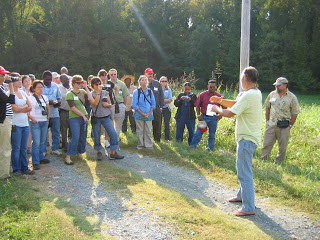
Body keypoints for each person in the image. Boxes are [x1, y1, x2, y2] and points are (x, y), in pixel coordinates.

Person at [211, 66, 262, 216]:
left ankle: (248, 207)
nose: (240, 80)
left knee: (244, 172)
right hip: (248, 138)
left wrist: (217, 108)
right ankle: (242, 197)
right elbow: (236, 103)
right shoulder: (254, 93)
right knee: (244, 169)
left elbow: (229, 113)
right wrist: (221, 100)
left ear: (245, 78)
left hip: (247, 140)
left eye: (241, 77)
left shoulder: (248, 95)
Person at [260, 77, 300, 164]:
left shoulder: (292, 97)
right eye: (276, 85)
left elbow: (295, 112)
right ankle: (263, 161)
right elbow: (267, 107)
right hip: (271, 124)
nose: (277, 87)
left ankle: (279, 162)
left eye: (279, 85)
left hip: (284, 125)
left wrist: (290, 125)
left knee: (282, 147)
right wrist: (267, 121)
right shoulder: (272, 94)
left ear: (285, 85)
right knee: (267, 144)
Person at [89, 77, 124, 160]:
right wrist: (98, 93)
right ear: (92, 85)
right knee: (97, 135)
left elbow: (110, 104)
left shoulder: (105, 92)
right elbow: (95, 103)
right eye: (96, 84)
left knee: (113, 134)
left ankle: (113, 153)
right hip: (96, 117)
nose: (98, 86)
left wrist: (106, 105)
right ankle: (99, 152)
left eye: (99, 84)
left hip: (106, 116)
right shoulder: (91, 94)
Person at [65, 75, 93, 165]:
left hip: (84, 115)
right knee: (75, 136)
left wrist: (86, 87)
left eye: (81, 82)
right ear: (73, 84)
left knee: (82, 135)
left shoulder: (82, 91)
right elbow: (72, 107)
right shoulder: (69, 94)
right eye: (78, 83)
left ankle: (79, 152)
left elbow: (90, 99)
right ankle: (68, 156)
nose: (80, 84)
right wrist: (83, 116)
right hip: (74, 117)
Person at [9, 73, 34, 176]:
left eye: (20, 80)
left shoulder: (23, 93)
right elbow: (14, 109)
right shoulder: (10, 94)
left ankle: (25, 167)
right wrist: (24, 108)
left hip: (24, 123)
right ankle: (16, 169)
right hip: (15, 124)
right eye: (17, 80)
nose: (19, 82)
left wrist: (21, 109)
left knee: (23, 147)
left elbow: (30, 106)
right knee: (16, 148)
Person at [190, 80, 224, 151]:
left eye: (213, 87)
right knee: (198, 133)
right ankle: (192, 147)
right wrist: (199, 115)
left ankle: (210, 149)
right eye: (210, 87)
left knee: (212, 135)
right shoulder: (202, 95)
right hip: (204, 117)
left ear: (215, 87)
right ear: (207, 86)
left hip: (213, 118)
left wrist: (220, 116)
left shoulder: (219, 96)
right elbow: (197, 105)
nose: (212, 88)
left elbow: (224, 108)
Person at [28, 80, 51, 170]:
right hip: (35, 121)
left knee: (43, 140)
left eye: (42, 87)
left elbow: (48, 108)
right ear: (34, 89)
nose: (41, 89)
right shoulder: (30, 98)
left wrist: (48, 117)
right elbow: (27, 110)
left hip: (44, 121)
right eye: (39, 87)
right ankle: (35, 161)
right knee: (36, 142)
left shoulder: (45, 97)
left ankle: (41, 157)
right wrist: (32, 118)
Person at [132, 75, 156, 150]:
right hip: (139, 114)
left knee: (148, 130)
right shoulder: (136, 92)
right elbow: (134, 104)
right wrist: (142, 113)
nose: (145, 81)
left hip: (149, 114)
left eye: (146, 80)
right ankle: (140, 145)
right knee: (140, 130)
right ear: (139, 82)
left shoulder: (150, 91)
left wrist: (149, 113)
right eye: (143, 80)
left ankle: (148, 145)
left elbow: (153, 103)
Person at [0, 66, 15, 179]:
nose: (4, 77)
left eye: (4, 75)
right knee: (5, 148)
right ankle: (3, 174)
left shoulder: (1, 87)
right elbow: (11, 100)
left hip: (4, 120)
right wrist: (11, 86)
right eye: (2, 75)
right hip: (2, 121)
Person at [42, 70, 62, 155]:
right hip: (44, 113)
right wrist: (48, 102)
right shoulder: (40, 86)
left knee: (56, 131)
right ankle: (43, 150)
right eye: (47, 80)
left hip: (54, 112)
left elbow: (59, 96)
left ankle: (55, 148)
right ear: (43, 79)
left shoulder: (55, 86)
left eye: (50, 79)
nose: (49, 81)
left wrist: (58, 101)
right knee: (44, 132)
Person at [98, 69, 119, 147]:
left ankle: (106, 140)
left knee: (109, 122)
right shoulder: (98, 83)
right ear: (99, 76)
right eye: (102, 75)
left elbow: (117, 88)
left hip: (110, 105)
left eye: (105, 75)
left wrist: (114, 96)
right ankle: (98, 139)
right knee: (100, 124)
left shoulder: (110, 83)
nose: (104, 77)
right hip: (100, 106)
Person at [108, 68, 130, 140]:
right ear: (109, 75)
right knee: (109, 123)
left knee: (118, 124)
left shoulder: (122, 84)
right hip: (110, 105)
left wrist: (124, 105)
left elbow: (125, 95)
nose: (113, 76)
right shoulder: (107, 83)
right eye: (111, 75)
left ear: (117, 74)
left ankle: (116, 139)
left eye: (114, 74)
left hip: (120, 105)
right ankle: (109, 139)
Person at [144, 68, 164, 142]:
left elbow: (161, 95)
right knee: (147, 125)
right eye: (149, 73)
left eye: (151, 74)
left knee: (157, 124)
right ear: (145, 74)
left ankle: (157, 140)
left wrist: (161, 106)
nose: (150, 75)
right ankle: (147, 140)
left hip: (156, 108)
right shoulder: (143, 83)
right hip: (146, 108)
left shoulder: (157, 84)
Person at [59, 74, 71, 152]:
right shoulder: (59, 89)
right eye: (64, 80)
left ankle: (72, 145)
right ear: (61, 81)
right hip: (63, 111)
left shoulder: (72, 88)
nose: (66, 81)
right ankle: (65, 146)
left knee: (72, 129)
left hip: (72, 111)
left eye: (67, 79)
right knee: (63, 129)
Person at [21, 75, 33, 154]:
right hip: (24, 112)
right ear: (22, 83)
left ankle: (29, 146)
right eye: (26, 81)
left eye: (29, 80)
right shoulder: (21, 91)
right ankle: (24, 146)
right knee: (25, 130)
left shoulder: (33, 90)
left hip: (32, 112)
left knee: (30, 130)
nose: (28, 82)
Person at [159, 76, 173, 140]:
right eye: (162, 81)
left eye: (165, 81)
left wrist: (161, 100)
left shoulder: (169, 90)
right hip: (159, 108)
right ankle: (158, 137)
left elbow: (170, 100)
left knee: (166, 123)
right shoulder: (158, 90)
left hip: (167, 108)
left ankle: (167, 138)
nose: (164, 82)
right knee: (159, 123)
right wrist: (165, 100)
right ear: (160, 82)